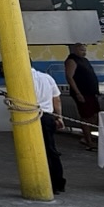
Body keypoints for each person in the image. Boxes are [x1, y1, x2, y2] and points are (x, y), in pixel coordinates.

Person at [31, 64, 66, 194]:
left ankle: (44, 182)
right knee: (50, 149)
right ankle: (58, 182)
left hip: (31, 117)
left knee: (36, 150)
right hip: (47, 116)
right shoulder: (47, 77)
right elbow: (56, 99)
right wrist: (59, 117)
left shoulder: (19, 80)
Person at [65, 43, 100, 149]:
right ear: (75, 50)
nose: (84, 52)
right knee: (86, 116)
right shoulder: (72, 60)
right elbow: (69, 77)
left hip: (91, 92)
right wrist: (78, 93)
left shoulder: (85, 60)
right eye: (81, 50)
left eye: (85, 50)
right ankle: (88, 140)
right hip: (82, 92)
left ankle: (89, 136)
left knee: (94, 115)